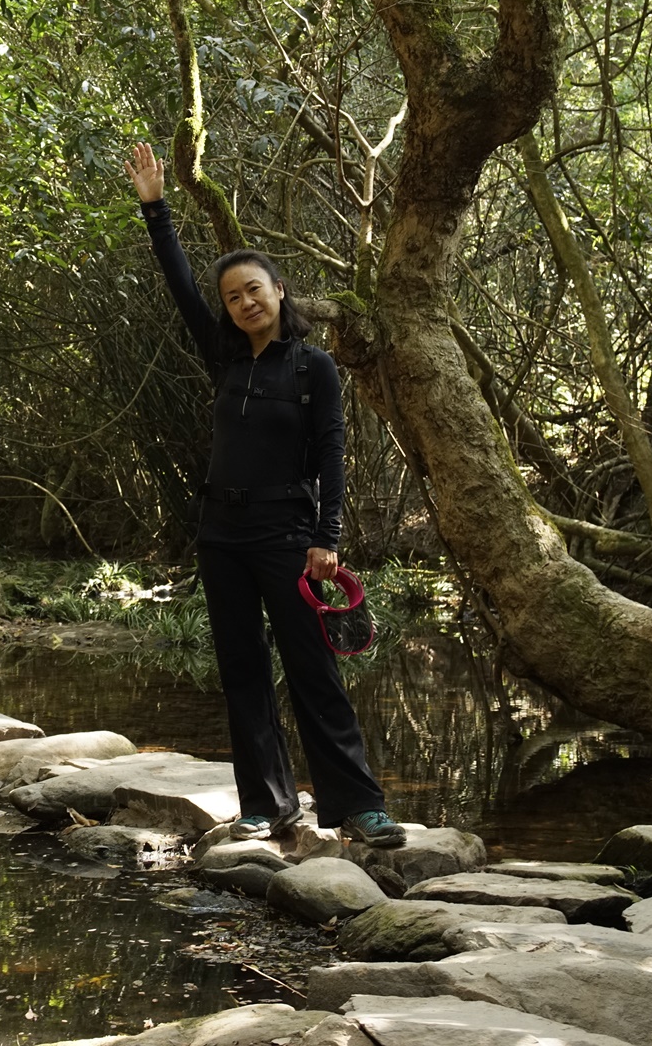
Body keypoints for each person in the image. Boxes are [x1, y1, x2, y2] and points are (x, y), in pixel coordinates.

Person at [122, 142, 404, 847]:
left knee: (312, 668)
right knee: (242, 669)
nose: (244, 303)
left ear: (279, 291)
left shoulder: (314, 368)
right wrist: (155, 207)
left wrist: (327, 538)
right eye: (232, 297)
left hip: (287, 533)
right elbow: (178, 283)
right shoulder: (223, 357)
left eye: (254, 290)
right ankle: (267, 804)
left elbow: (332, 454)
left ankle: (357, 804)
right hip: (221, 533)